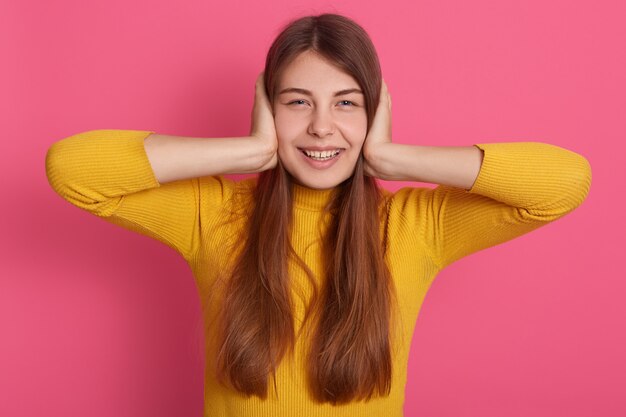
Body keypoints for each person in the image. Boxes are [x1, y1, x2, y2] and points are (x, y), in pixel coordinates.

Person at [45, 12, 592, 417]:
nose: (322, 128)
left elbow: (564, 182)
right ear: (267, 109)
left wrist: (389, 157)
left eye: (347, 102)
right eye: (298, 101)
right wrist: (251, 150)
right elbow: (73, 170)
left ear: (375, 112)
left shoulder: (413, 226)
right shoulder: (211, 213)